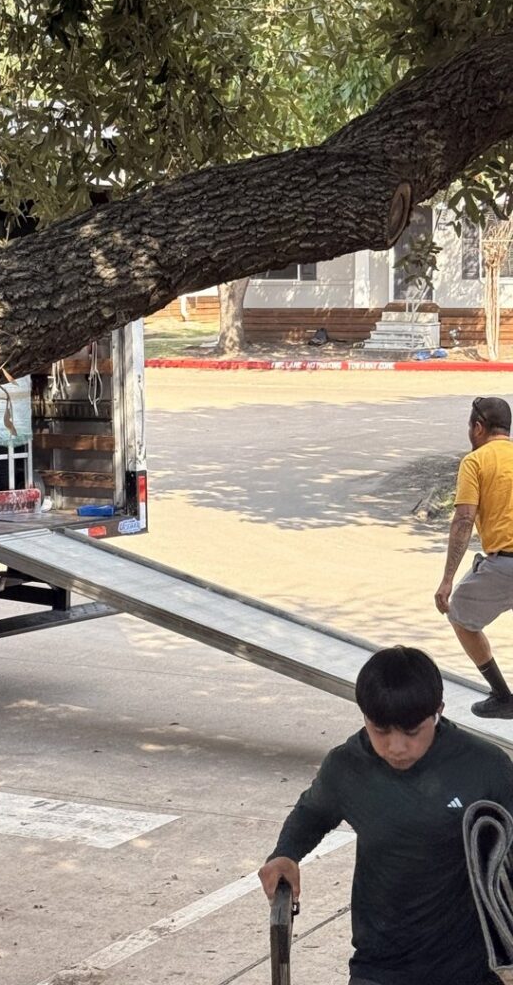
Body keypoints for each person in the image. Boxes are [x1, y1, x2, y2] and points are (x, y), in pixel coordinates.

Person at [258, 646, 513, 985]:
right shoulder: (347, 767)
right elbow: (313, 812)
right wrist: (286, 853)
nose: (396, 747)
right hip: (378, 965)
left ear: (438, 711)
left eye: (411, 732)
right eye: (380, 730)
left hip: (470, 969)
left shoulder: (484, 766)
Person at [434, 396, 513, 718]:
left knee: (460, 616)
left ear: (478, 427)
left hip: (504, 564)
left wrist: (447, 580)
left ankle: (502, 696)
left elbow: (464, 519)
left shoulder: (476, 461)